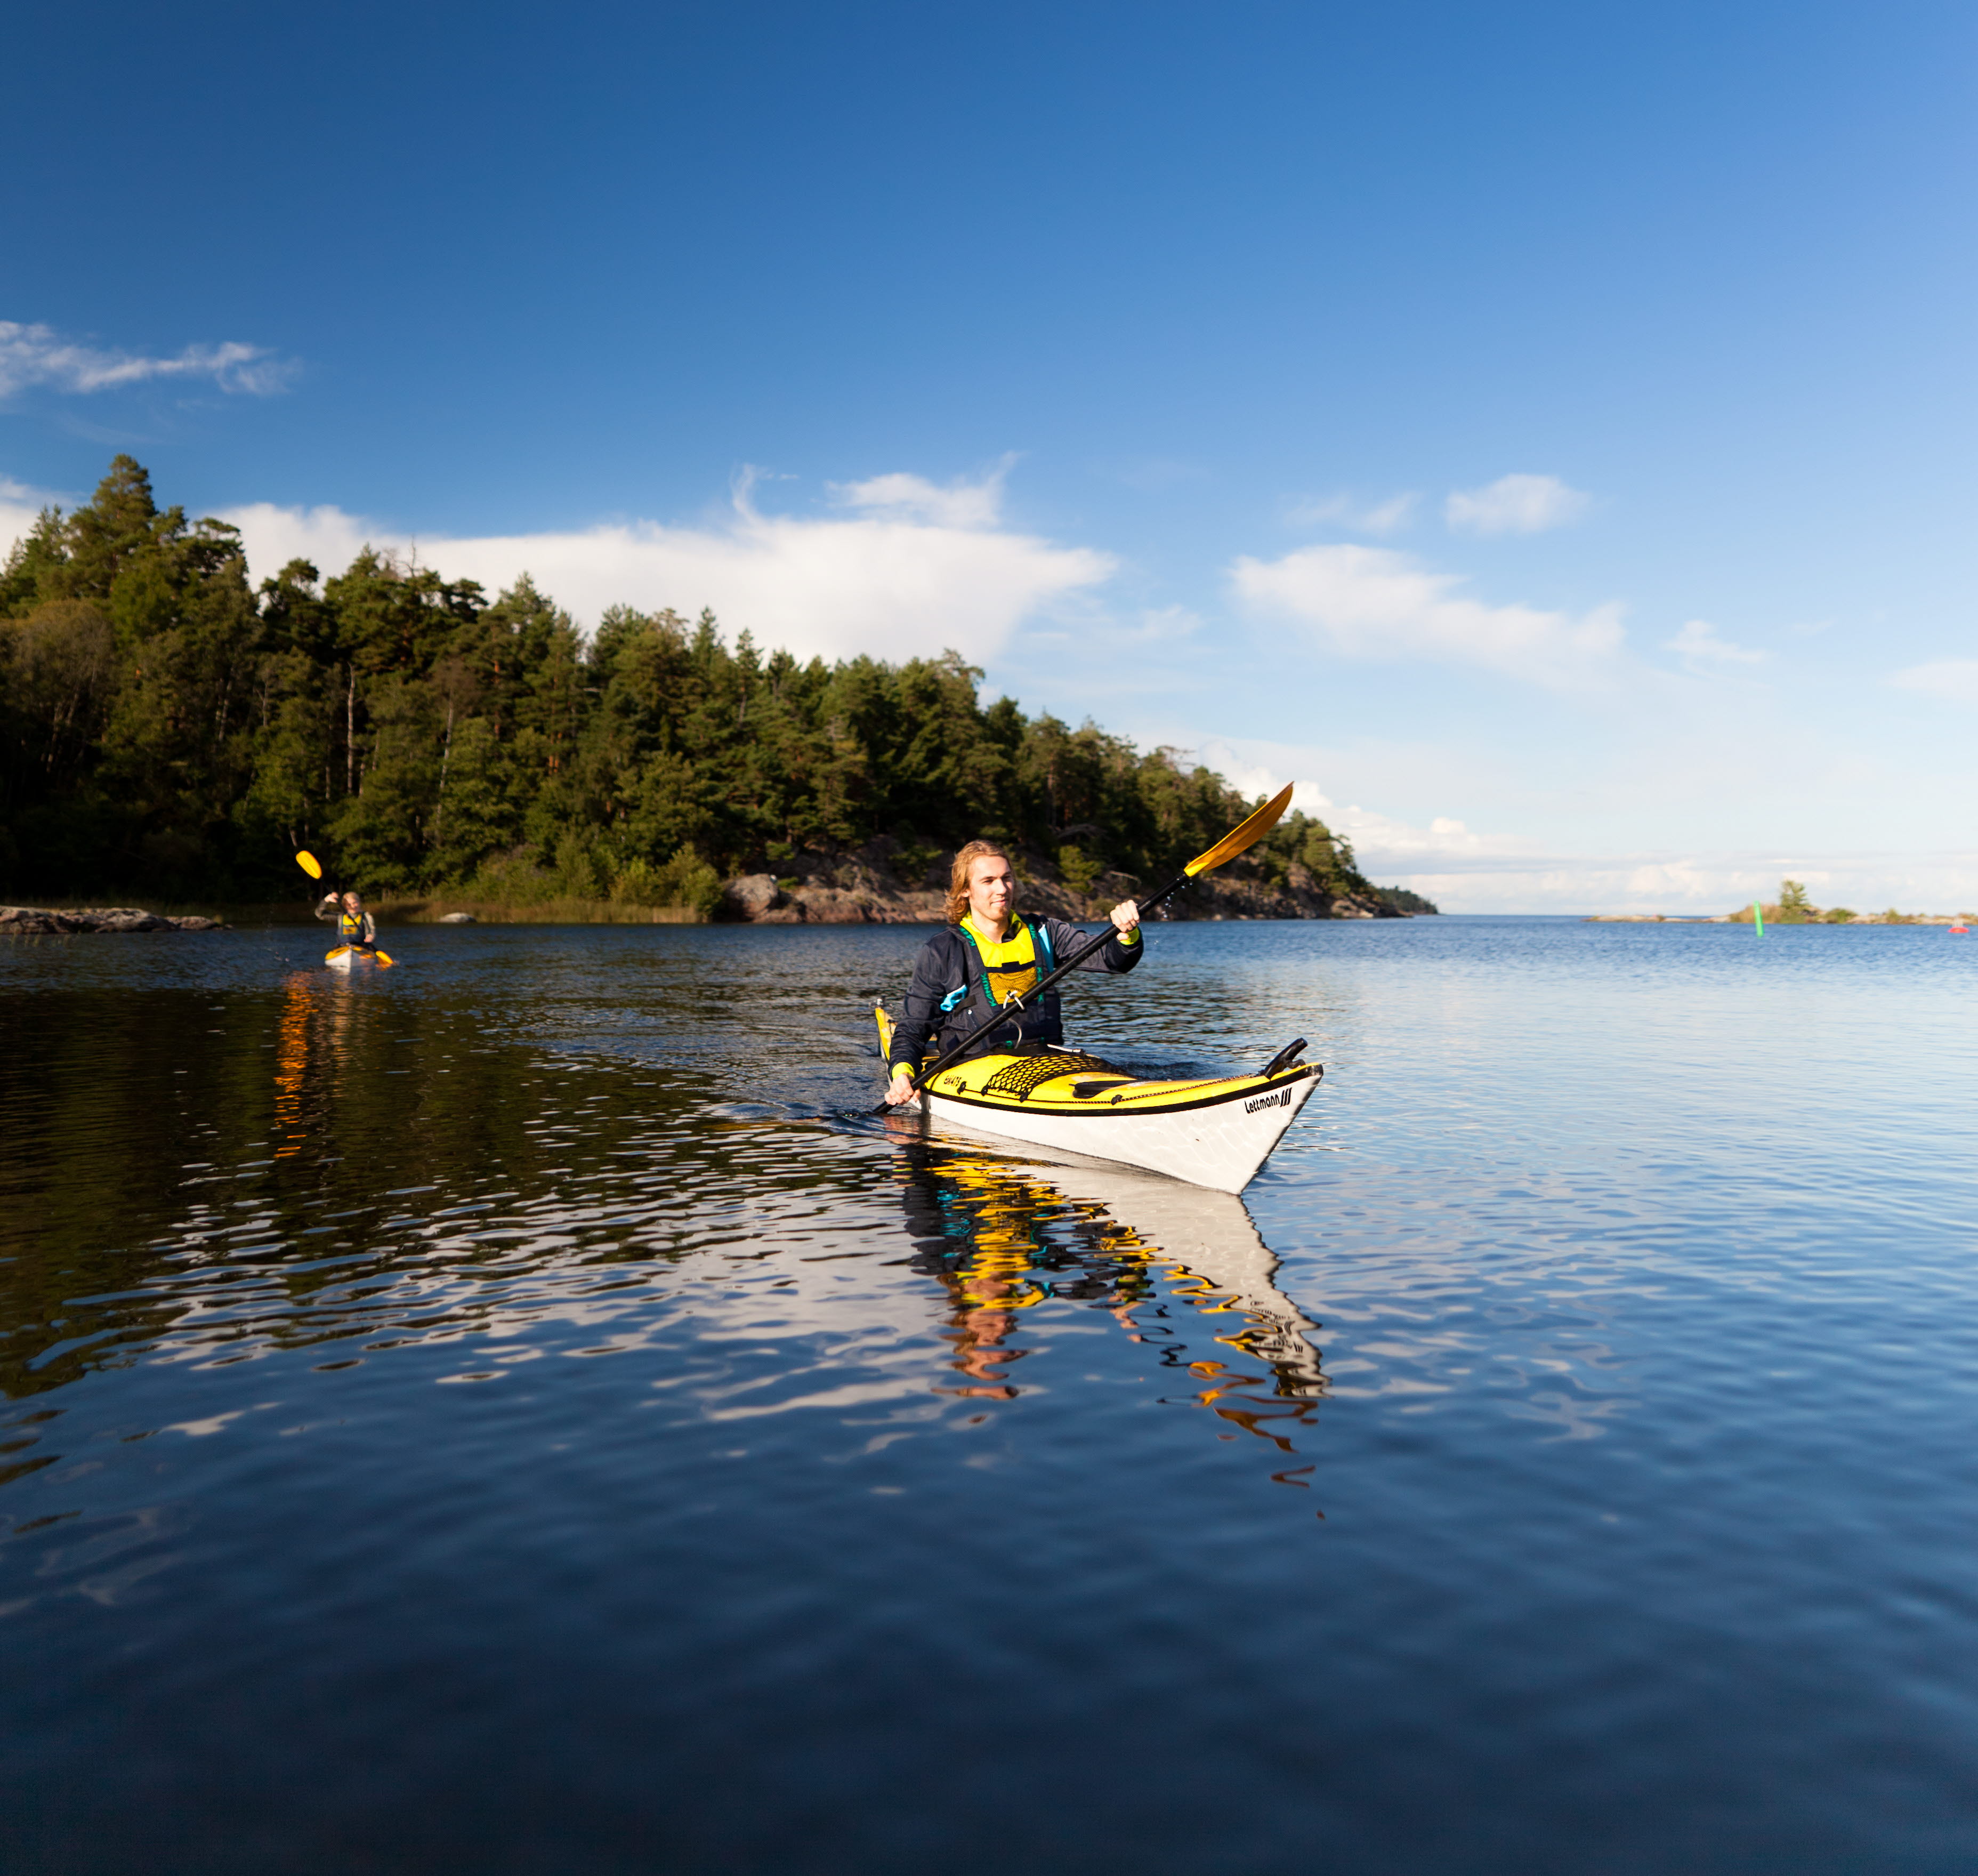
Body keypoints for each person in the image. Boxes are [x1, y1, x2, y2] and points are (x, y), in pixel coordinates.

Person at [883, 840, 1142, 1106]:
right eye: (988, 881)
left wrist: (1126, 933)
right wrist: (902, 1073)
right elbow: (914, 1027)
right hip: (973, 1067)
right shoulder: (943, 950)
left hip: (1047, 1060)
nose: (1002, 889)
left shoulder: (1044, 932)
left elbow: (1113, 960)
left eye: (1007, 878)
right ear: (965, 891)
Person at [315, 888, 376, 952]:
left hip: (360, 948)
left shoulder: (365, 916)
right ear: (345, 906)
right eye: (349, 904)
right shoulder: (340, 917)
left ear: (359, 902)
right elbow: (320, 914)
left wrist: (370, 936)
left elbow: (370, 930)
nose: (353, 906)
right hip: (342, 948)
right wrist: (326, 900)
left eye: (355, 903)